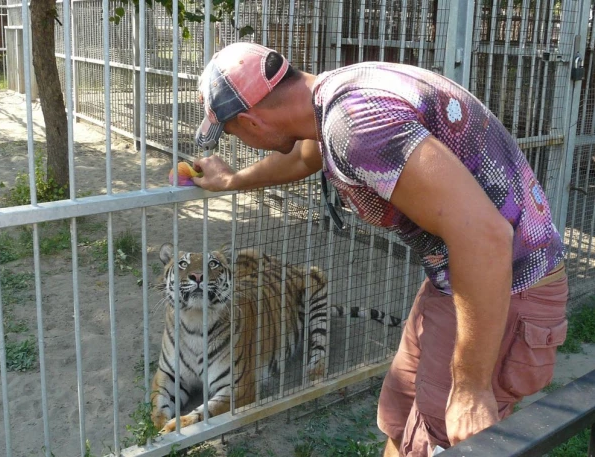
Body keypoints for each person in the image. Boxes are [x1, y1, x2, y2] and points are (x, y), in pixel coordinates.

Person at [191, 42, 568, 456]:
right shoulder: (331, 96)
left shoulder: (354, 123)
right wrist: (232, 181)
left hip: (507, 284)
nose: (237, 142)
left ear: (251, 121)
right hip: (460, 275)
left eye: (231, 133)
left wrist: (471, 385)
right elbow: (303, 159)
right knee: (399, 413)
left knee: (440, 437)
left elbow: (486, 236)